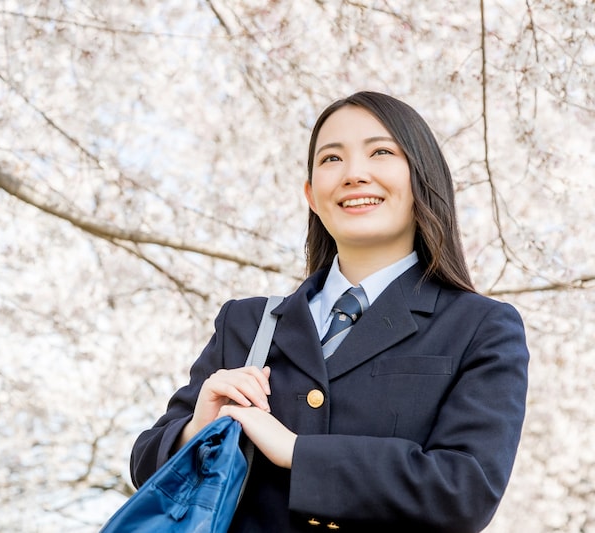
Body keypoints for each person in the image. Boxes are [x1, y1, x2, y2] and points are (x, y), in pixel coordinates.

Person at [129, 91, 529, 532]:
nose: (354, 174)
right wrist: (197, 429)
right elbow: (146, 466)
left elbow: (466, 491)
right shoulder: (246, 324)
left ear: (421, 177)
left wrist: (296, 453)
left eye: (381, 152)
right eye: (332, 159)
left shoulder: (481, 326)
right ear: (312, 196)